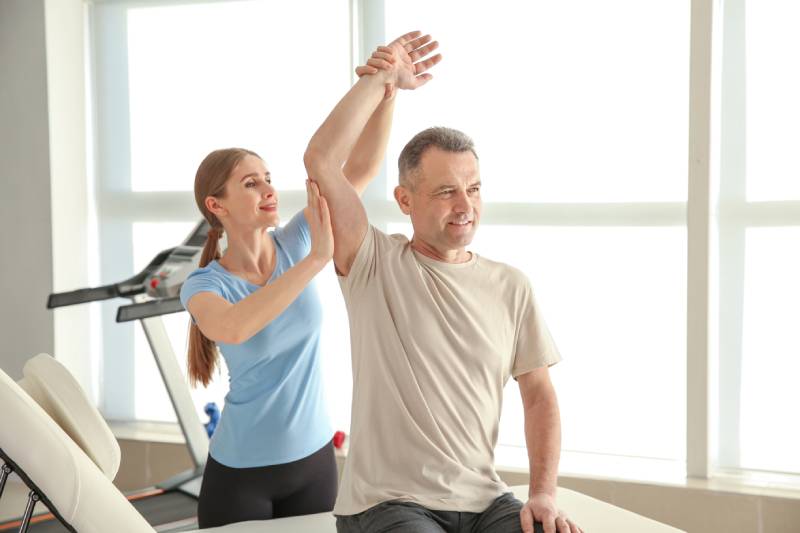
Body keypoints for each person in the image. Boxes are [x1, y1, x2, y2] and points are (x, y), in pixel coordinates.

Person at [303, 47, 584, 533]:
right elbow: (321, 159)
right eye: (446, 191)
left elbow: (538, 394)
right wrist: (382, 80)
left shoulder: (511, 285)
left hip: (485, 501)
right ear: (405, 200)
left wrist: (542, 494)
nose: (465, 205)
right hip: (386, 504)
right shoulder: (373, 263)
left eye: (473, 189)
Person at [179, 31, 441, 528]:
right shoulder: (205, 285)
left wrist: (388, 92)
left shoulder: (297, 240)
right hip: (239, 476)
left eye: (269, 178)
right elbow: (234, 328)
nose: (268, 189)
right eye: (250, 183)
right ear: (217, 206)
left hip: (315, 462)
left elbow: (357, 168)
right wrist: (316, 260)